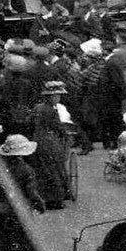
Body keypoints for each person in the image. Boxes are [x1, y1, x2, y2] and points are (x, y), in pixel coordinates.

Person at [30, 80, 71, 210]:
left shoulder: (37, 107)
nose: (58, 98)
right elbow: (58, 126)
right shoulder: (51, 110)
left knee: (42, 170)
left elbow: (30, 122)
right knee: (55, 169)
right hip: (49, 141)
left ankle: (43, 197)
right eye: (57, 96)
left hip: (37, 140)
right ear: (51, 97)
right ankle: (55, 199)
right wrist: (66, 134)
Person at [0, 134, 46, 213]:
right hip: (18, 205)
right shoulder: (26, 169)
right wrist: (38, 203)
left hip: (1, 202)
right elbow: (31, 190)